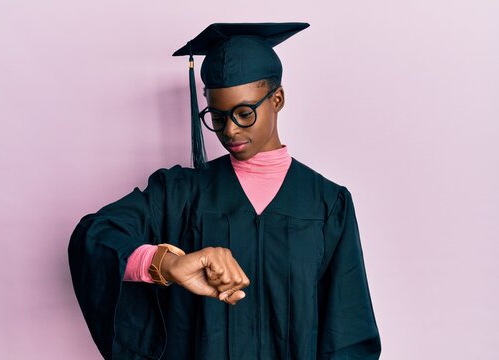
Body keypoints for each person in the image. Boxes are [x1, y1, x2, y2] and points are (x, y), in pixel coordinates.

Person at [68, 22, 381, 360]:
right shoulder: (180, 193)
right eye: (216, 117)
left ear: (277, 99)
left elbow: (347, 333)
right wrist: (167, 263)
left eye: (244, 113)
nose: (229, 130)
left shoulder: (327, 204)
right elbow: (95, 236)